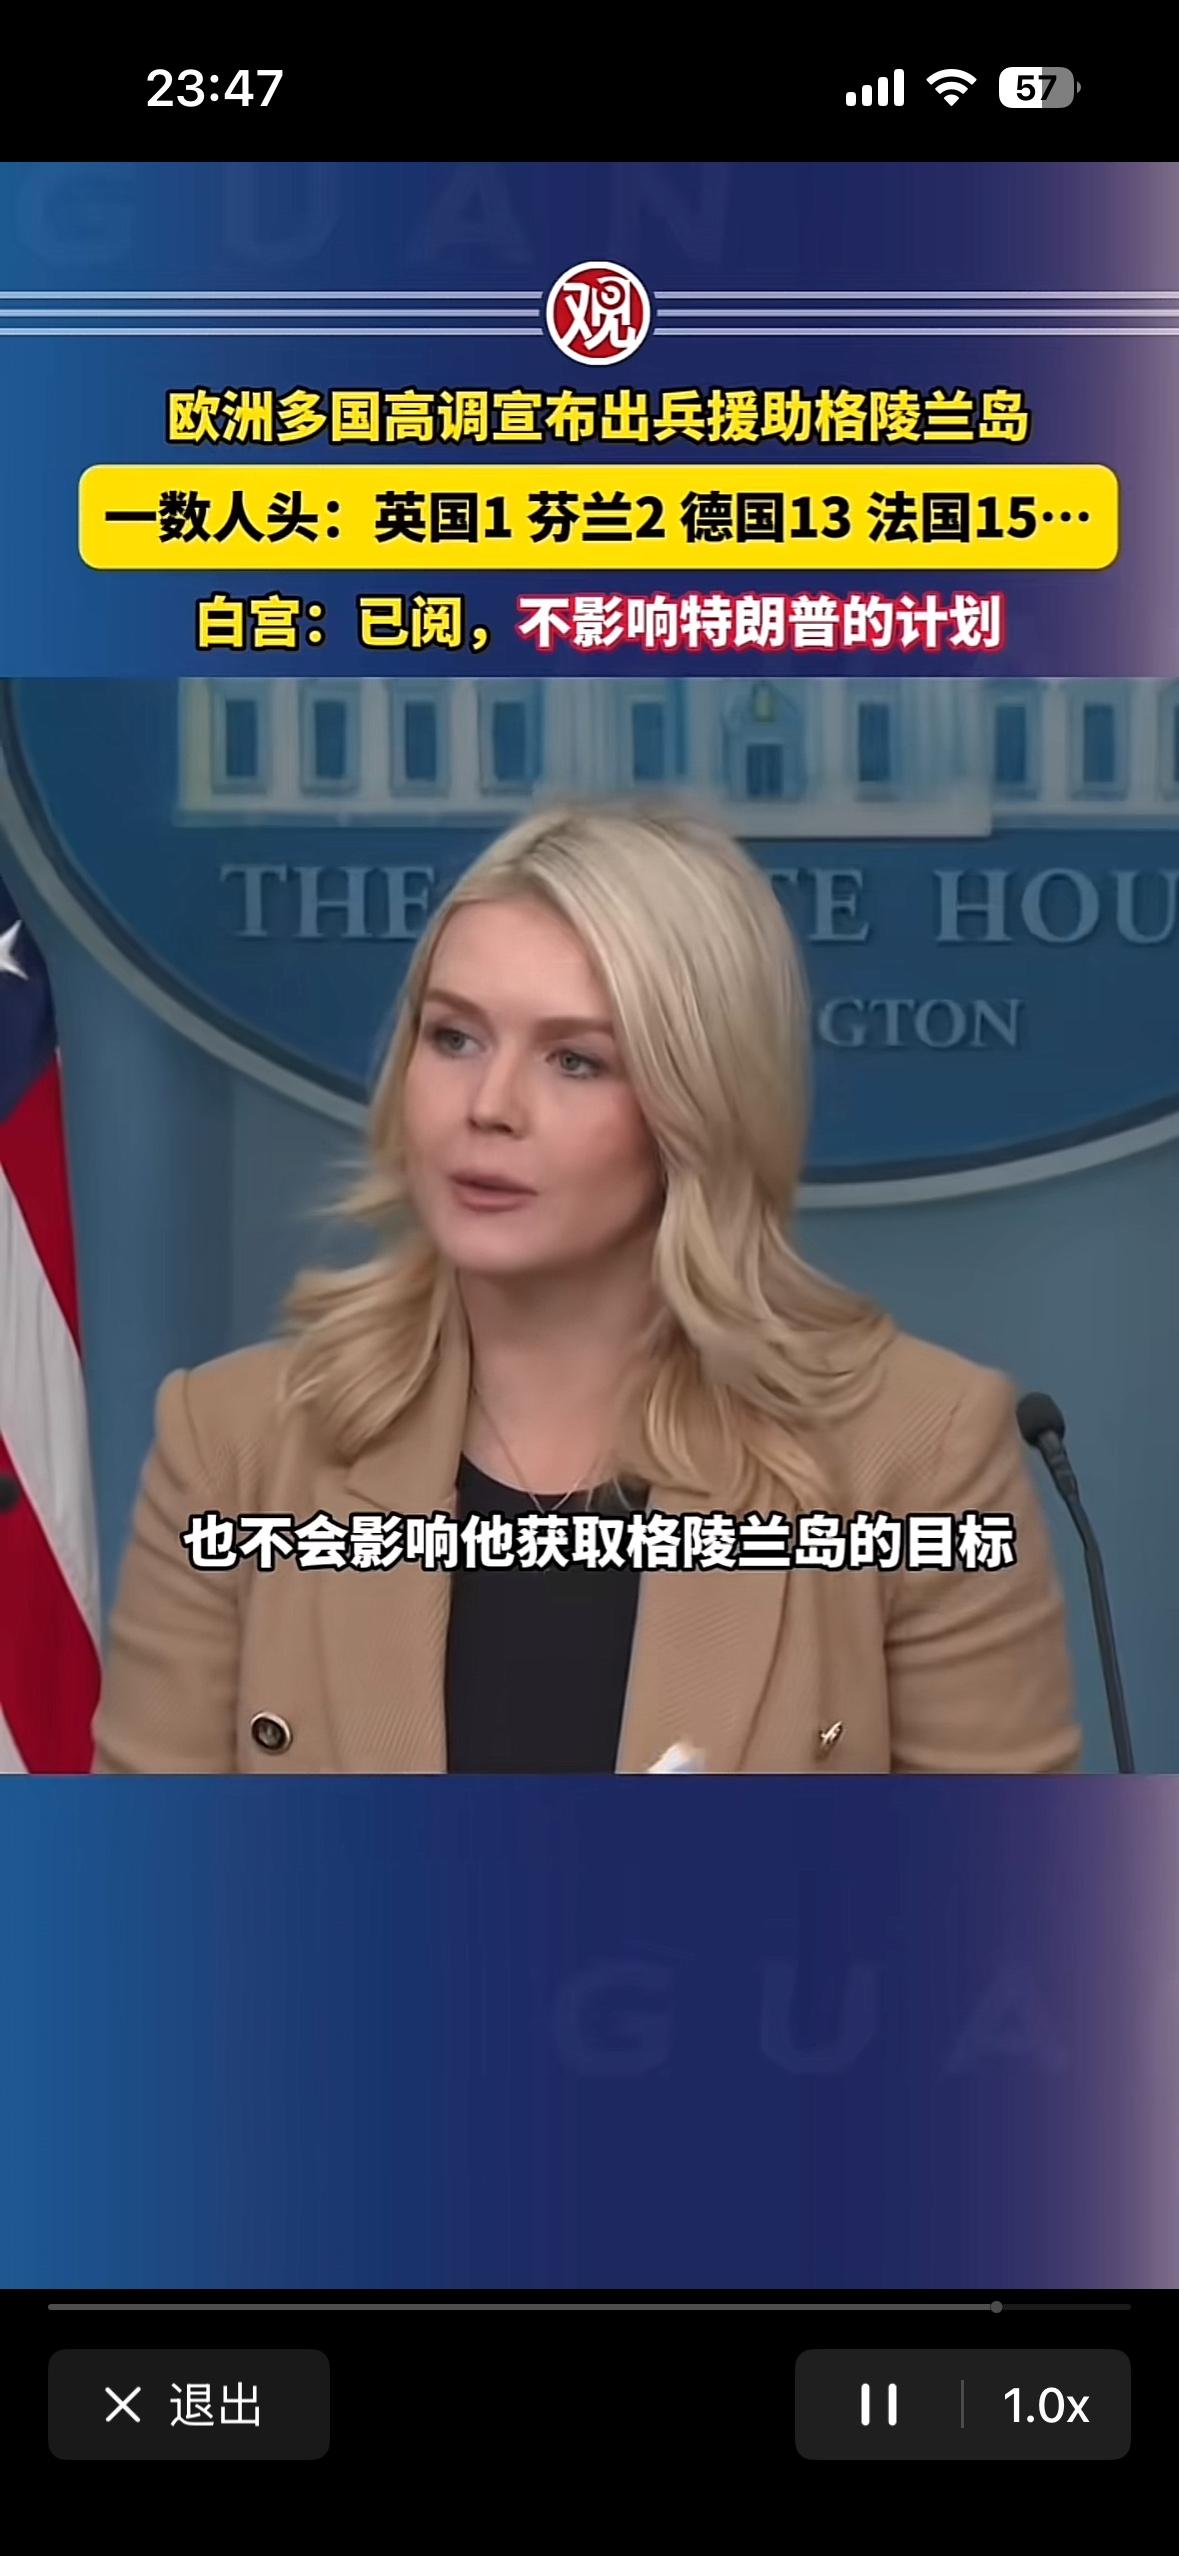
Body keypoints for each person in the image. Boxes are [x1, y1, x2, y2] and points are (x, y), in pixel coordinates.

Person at [92, 798, 1080, 1776]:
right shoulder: (231, 1447)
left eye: (575, 1060)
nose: (490, 1106)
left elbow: (999, 1879)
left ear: (698, 1104)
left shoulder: (918, 1458)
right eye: (454, 1038)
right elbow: (141, 1875)